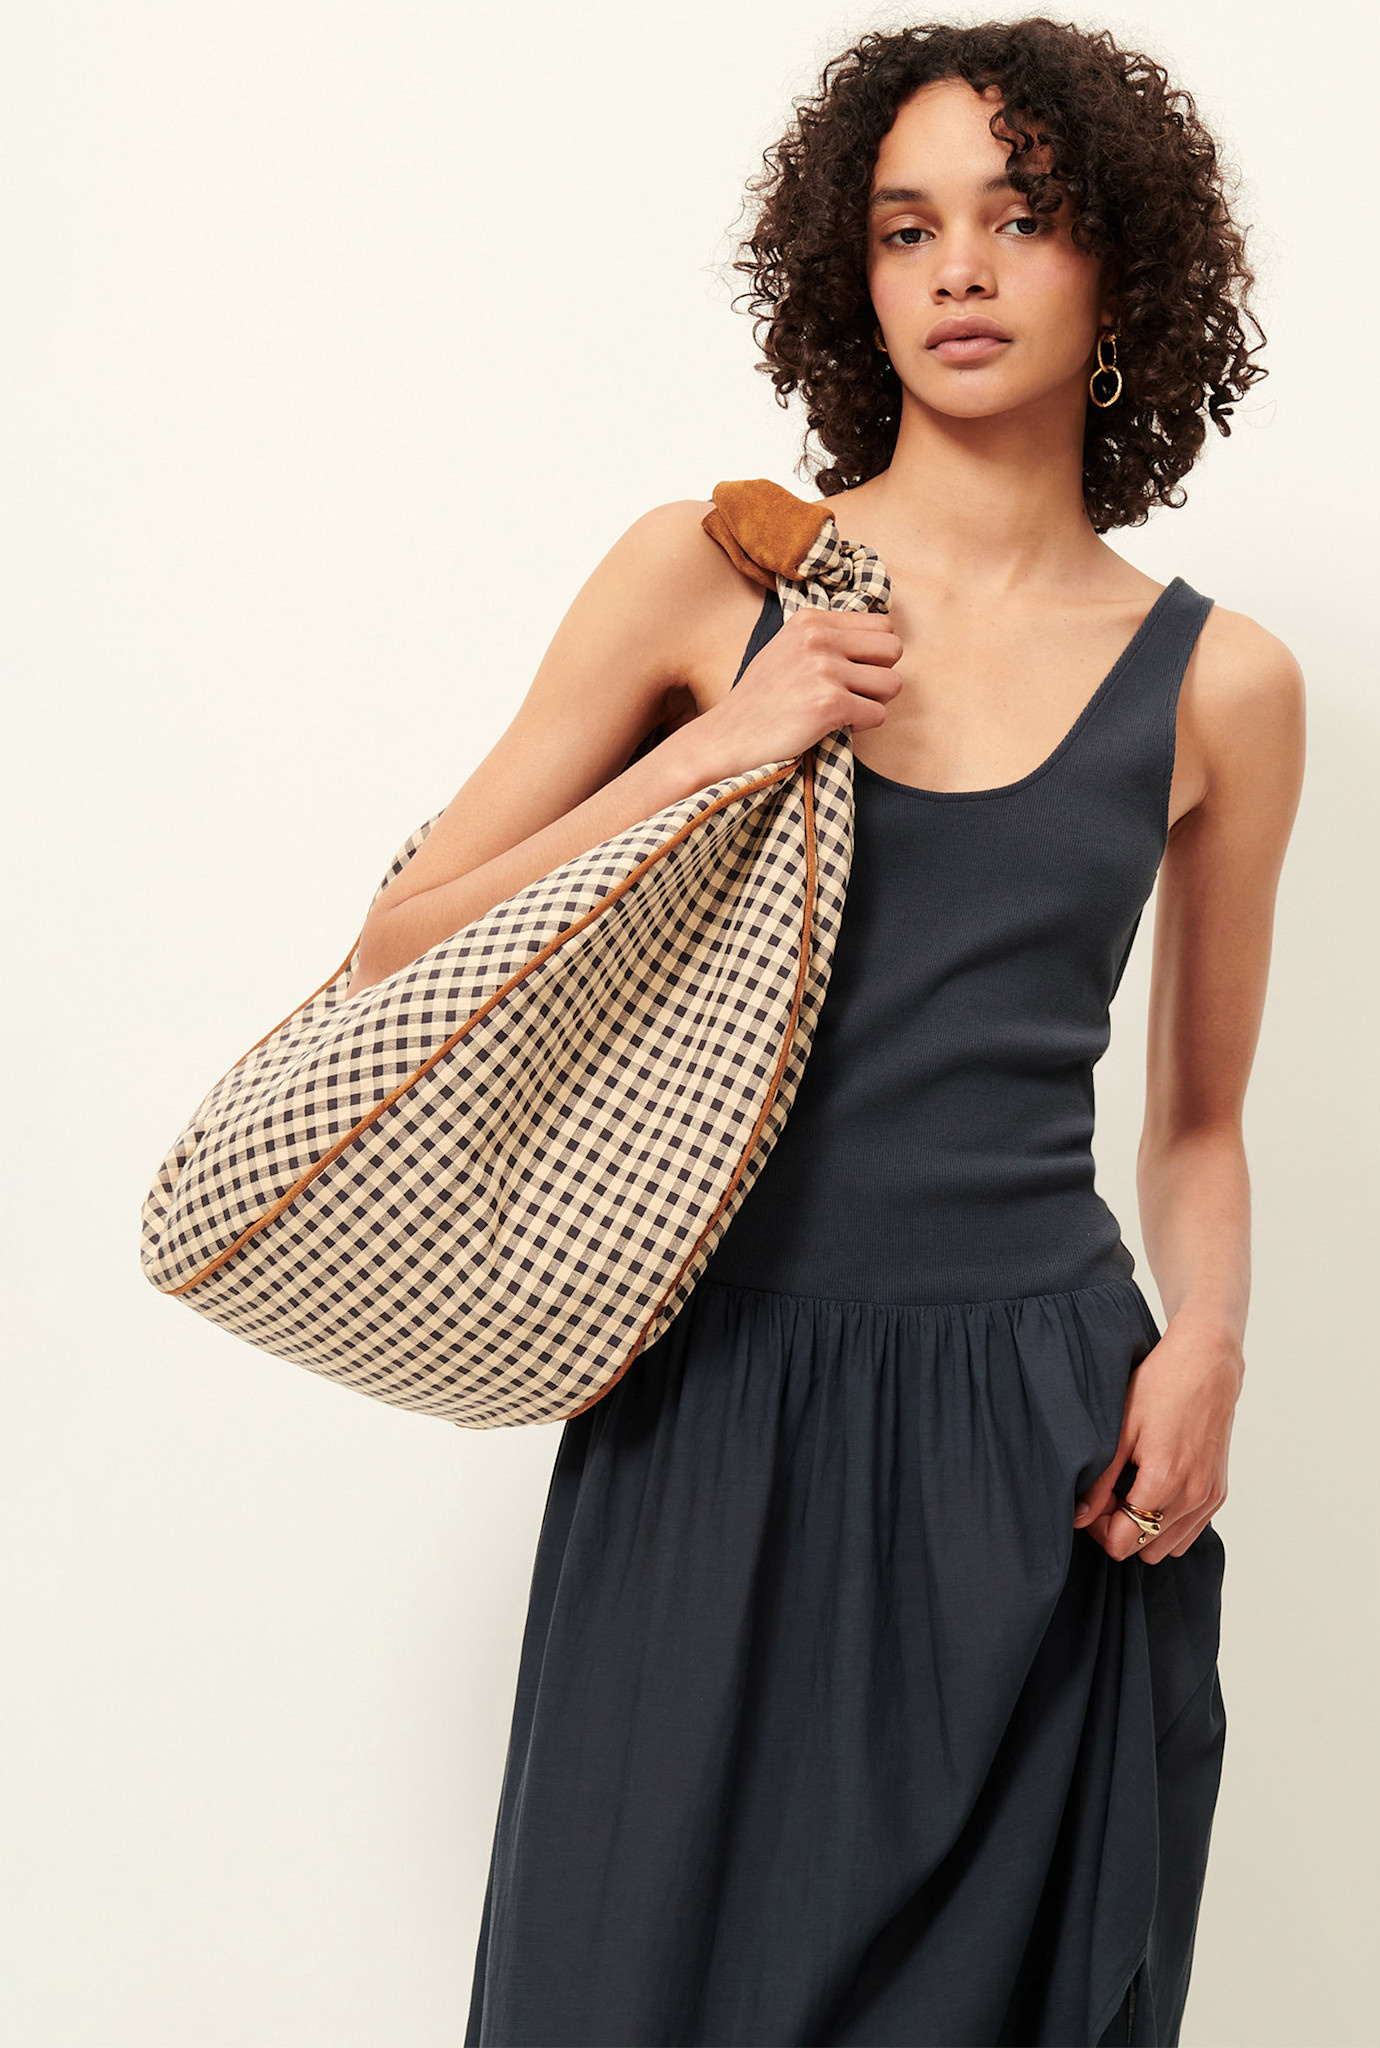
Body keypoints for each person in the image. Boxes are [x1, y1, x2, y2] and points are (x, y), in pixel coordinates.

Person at [348, 19, 1304, 2047]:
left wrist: (1210, 1342)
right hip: (712, 1413)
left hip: (1043, 1445)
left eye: (1021, 219)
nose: (960, 270)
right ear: (848, 276)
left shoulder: (1223, 684)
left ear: (1122, 267)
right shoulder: (707, 580)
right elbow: (395, 955)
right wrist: (725, 746)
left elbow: (1199, 1119)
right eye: (905, 227)